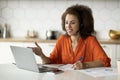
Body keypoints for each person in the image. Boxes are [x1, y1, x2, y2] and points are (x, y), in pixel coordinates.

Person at [31, 4, 111, 70]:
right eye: (66, 23)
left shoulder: (91, 40)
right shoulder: (62, 39)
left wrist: (84, 65)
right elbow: (50, 62)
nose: (68, 26)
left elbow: (105, 61)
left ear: (81, 24)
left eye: (72, 23)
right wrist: (41, 55)